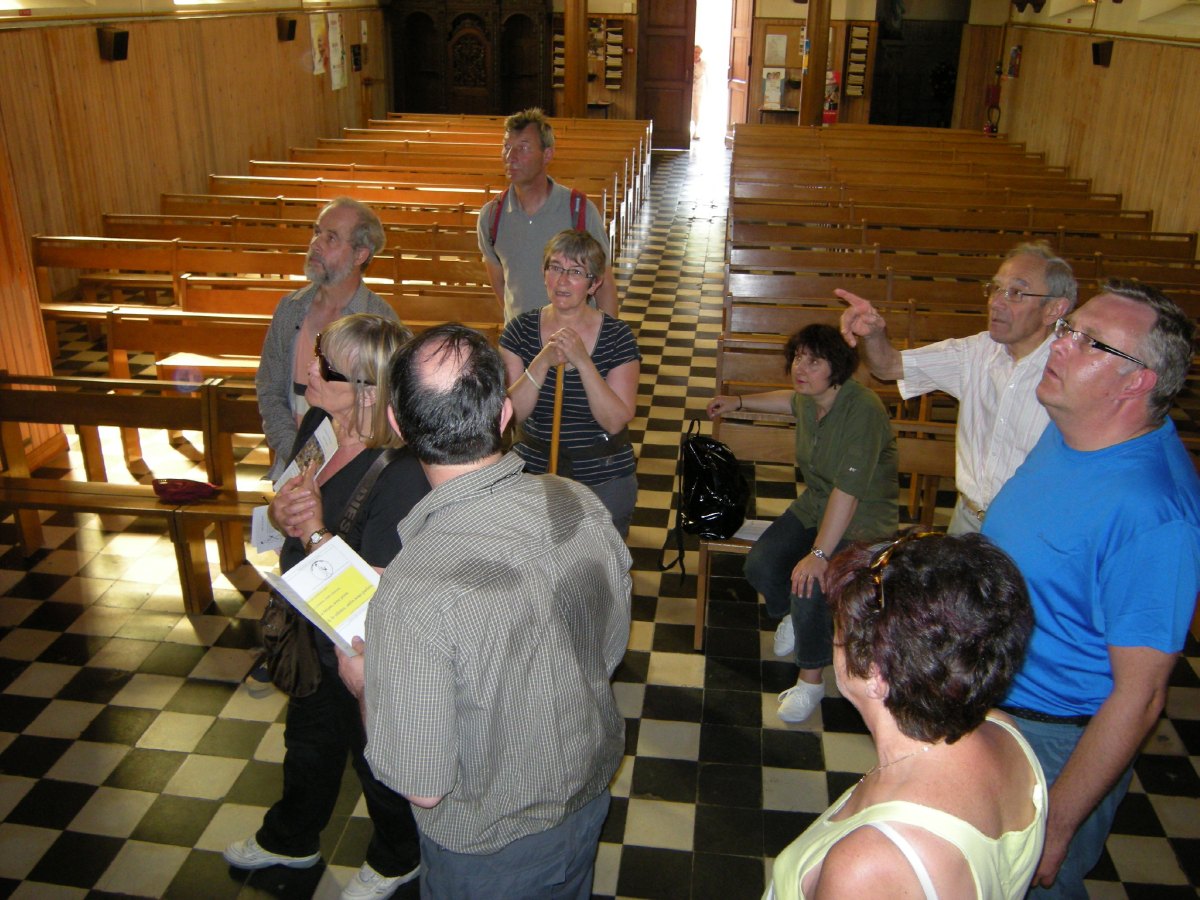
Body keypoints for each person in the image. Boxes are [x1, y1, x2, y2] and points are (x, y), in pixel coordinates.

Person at [336, 324, 631, 899]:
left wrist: (366, 680)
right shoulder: (577, 503)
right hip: (588, 796)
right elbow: (607, 646)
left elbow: (422, 785)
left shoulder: (413, 594)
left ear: (398, 427)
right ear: (502, 415)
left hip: (490, 853)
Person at [982, 279, 1200, 898]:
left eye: (1091, 342)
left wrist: (1057, 824)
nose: (1062, 345)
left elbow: (1142, 696)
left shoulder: (1154, 514)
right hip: (992, 706)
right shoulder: (1072, 429)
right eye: (1069, 329)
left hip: (1053, 740)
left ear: (1136, 383)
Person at [226, 314, 428, 900]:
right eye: (316, 353)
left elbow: (375, 591)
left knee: (374, 755)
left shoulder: (402, 471)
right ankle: (292, 838)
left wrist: (312, 532)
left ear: (367, 389)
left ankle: (398, 858)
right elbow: (291, 490)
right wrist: (282, 511)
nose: (306, 368)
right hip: (309, 620)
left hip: (358, 640)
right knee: (309, 742)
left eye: (323, 365)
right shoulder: (320, 420)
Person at [766, 532, 1046, 900]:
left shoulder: (867, 867)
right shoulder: (1001, 731)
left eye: (840, 628)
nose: (835, 638)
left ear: (877, 674)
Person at [707, 324, 897, 724]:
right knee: (761, 563)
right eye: (797, 357)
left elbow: (848, 493)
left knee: (811, 582)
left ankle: (811, 678)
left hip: (862, 520)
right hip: (816, 504)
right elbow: (788, 401)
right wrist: (738, 402)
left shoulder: (862, 411)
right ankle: (793, 614)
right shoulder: (812, 399)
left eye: (814, 361)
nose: (800, 368)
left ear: (838, 368)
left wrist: (819, 554)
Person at [838, 241, 1076, 534]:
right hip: (968, 518)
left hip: (1032, 529)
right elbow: (888, 367)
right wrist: (873, 334)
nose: (996, 302)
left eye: (1015, 292)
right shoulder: (975, 353)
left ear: (1054, 308)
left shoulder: (1075, 373)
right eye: (995, 288)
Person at [499, 229, 640, 536]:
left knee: (599, 575)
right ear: (544, 272)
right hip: (534, 473)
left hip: (603, 475)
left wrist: (582, 361)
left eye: (576, 272)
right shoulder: (519, 331)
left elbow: (615, 420)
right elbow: (510, 416)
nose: (562, 281)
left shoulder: (618, 337)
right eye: (555, 268)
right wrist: (541, 363)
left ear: (595, 283)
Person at [257, 197, 397, 481]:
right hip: (292, 466)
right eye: (316, 232)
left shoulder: (379, 321)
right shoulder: (290, 309)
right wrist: (299, 457)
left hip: (355, 473)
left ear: (360, 255)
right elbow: (269, 389)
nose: (316, 243)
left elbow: (385, 409)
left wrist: (327, 466)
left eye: (331, 238)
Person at [477, 107, 619, 321]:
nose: (510, 157)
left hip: (573, 341)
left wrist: (607, 345)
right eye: (506, 147)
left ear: (547, 154)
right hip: (521, 346)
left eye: (523, 148)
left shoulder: (578, 211)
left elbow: (604, 284)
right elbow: (500, 285)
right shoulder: (491, 216)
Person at [691, 45, 706, 141]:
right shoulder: (688, 61)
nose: (696, 54)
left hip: (698, 90)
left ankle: (696, 131)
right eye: (695, 52)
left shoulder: (703, 64)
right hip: (689, 88)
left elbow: (701, 75)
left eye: (698, 52)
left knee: (696, 109)